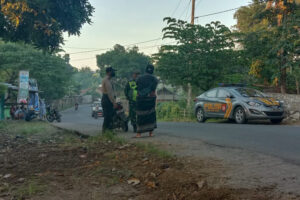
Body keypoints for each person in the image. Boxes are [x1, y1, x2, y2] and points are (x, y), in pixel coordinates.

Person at [135, 64, 158, 138]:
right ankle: (150, 133)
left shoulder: (139, 78)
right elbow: (153, 91)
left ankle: (139, 134)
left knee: (140, 115)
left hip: (140, 99)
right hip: (150, 98)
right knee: (150, 115)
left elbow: (137, 87)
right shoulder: (154, 79)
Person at [101, 67, 118, 133]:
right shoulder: (106, 80)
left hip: (107, 99)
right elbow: (109, 92)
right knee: (108, 116)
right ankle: (105, 131)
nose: (114, 73)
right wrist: (114, 102)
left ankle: (109, 131)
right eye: (112, 71)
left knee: (110, 116)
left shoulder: (109, 80)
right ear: (109, 72)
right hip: (107, 99)